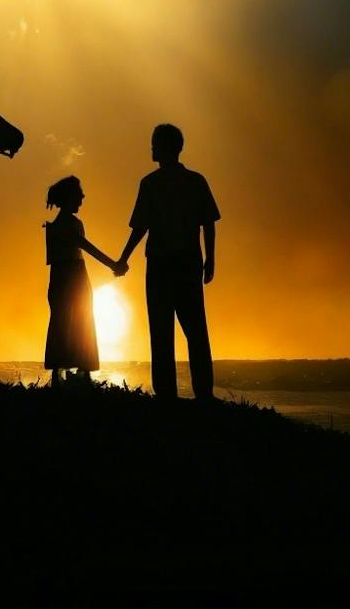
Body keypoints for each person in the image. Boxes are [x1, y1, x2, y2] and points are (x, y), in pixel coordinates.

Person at [117, 124, 220, 401]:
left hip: (162, 266)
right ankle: (204, 394)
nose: (151, 148)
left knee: (162, 331)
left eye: (154, 143)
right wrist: (210, 260)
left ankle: (166, 395)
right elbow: (208, 223)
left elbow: (140, 228)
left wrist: (123, 259)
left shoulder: (150, 183)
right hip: (188, 263)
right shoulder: (195, 181)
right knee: (196, 330)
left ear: (163, 147)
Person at [44, 176, 126, 387]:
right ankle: (84, 371)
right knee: (83, 322)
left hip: (59, 277)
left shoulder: (54, 226)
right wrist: (114, 265)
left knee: (60, 322)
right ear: (69, 198)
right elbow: (87, 247)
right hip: (74, 276)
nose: (82, 198)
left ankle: (59, 372)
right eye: (78, 195)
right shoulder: (71, 224)